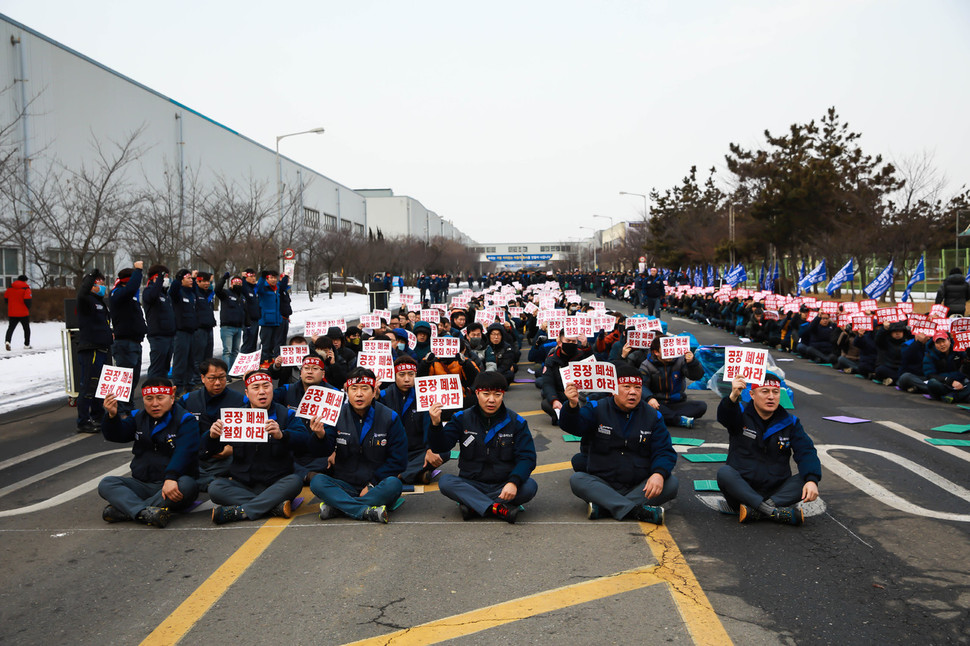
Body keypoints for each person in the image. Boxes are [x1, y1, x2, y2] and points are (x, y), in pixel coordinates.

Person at [560, 363, 677, 524]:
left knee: (670, 483)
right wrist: (572, 405)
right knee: (578, 480)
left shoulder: (653, 416)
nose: (632, 392)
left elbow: (664, 451)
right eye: (626, 386)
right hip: (605, 483)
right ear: (613, 389)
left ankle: (606, 506)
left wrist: (658, 474)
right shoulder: (597, 408)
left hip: (639, 485)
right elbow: (574, 426)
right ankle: (636, 510)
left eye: (637, 387)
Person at [428, 371, 538, 523]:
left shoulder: (516, 422)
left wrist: (513, 482)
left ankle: (474, 505)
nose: (491, 400)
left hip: (503, 484)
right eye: (486, 394)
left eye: (497, 395)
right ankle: (498, 508)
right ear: (477, 394)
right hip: (472, 483)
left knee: (529, 487)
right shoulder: (461, 418)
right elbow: (441, 446)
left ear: (503, 395)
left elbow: (527, 457)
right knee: (446, 482)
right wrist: (435, 424)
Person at [716, 373, 821, 525]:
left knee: (807, 477)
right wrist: (733, 396)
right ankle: (773, 512)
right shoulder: (740, 414)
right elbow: (725, 417)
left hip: (777, 492)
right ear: (752, 394)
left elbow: (806, 452)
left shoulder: (790, 422)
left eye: (775, 392)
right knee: (724, 473)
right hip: (742, 492)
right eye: (765, 391)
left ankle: (759, 510)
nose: (771, 396)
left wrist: (812, 480)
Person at [207, 369, 309, 524]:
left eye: (266, 386)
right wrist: (211, 436)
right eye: (256, 388)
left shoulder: (286, 415)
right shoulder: (234, 417)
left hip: (276, 483)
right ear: (247, 393)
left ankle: (242, 511)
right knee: (215, 487)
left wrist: (282, 435)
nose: (262, 392)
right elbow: (205, 452)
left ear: (272, 390)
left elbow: (304, 441)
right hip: (243, 484)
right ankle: (273, 507)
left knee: (295, 481)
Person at [308, 368, 407, 523]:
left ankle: (338, 507)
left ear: (374, 391)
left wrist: (372, 484)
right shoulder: (336, 415)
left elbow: (399, 460)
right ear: (347, 391)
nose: (359, 394)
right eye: (354, 389)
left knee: (394, 484)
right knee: (317, 481)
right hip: (344, 485)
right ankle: (364, 510)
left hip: (377, 485)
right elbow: (321, 452)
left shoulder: (390, 417)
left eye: (364, 388)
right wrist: (320, 436)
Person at [97, 377, 199, 528]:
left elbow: (184, 452)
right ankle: (144, 512)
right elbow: (117, 435)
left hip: (172, 483)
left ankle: (128, 510)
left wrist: (171, 478)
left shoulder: (186, 419)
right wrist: (112, 416)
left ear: (171, 397)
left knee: (187, 485)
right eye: (149, 398)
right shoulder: (137, 416)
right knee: (107, 483)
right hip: (142, 484)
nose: (155, 404)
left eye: (160, 398)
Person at [380, 356, 448, 485]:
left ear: (415, 374)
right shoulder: (383, 396)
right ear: (394, 375)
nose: (407, 379)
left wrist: (430, 448)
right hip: (393, 451)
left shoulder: (424, 395)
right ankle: (416, 474)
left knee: (443, 451)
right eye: (402, 374)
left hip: (417, 452)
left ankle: (400, 475)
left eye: (411, 374)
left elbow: (429, 425)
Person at [180, 358, 245, 491]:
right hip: (197, 457)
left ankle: (206, 482)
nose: (217, 383)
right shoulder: (187, 400)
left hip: (227, 457)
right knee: (179, 463)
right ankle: (215, 483)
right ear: (203, 378)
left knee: (244, 462)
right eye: (212, 378)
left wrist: (233, 449)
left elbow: (250, 433)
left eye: (222, 378)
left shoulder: (241, 401)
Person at [638, 334, 707, 428]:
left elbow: (696, 376)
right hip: (657, 403)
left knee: (701, 406)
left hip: (676, 403)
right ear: (656, 352)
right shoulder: (646, 365)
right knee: (647, 408)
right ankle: (677, 420)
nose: (670, 352)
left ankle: (667, 418)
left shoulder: (681, 360)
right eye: (666, 349)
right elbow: (641, 386)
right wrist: (649, 398)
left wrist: (692, 362)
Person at [76, 269, 113, 433]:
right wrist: (91, 276)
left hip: (103, 348)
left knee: (100, 386)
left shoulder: (100, 303)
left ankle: (98, 416)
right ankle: (83, 420)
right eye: (99, 283)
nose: (103, 286)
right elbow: (82, 292)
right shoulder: (86, 300)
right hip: (91, 349)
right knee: (89, 385)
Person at [109, 262, 147, 390]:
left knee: (133, 380)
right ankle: (121, 408)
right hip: (124, 344)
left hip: (135, 342)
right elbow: (131, 288)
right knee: (125, 382)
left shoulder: (131, 298)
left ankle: (128, 407)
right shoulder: (117, 293)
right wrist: (138, 270)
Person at [142, 264, 176, 380]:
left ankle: (162, 392)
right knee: (157, 367)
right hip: (158, 336)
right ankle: (153, 392)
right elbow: (151, 296)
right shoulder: (149, 291)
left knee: (165, 368)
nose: (166, 280)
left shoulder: (165, 295)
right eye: (164, 277)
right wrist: (159, 281)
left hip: (169, 335)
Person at [170, 269, 199, 396]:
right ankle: (179, 386)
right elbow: (173, 290)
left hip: (191, 331)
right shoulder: (178, 293)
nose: (191, 280)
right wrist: (179, 277)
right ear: (181, 280)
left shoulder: (191, 294)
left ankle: (189, 384)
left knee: (191, 360)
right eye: (188, 278)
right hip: (180, 332)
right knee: (180, 360)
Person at [215, 272, 247, 370]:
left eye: (239, 284)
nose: (237, 286)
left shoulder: (242, 297)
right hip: (227, 327)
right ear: (231, 284)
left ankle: (233, 370)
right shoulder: (225, 294)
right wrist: (223, 278)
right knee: (227, 351)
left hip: (238, 327)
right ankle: (226, 371)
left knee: (235, 351)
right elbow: (217, 289)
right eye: (235, 284)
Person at [256, 270, 283, 364]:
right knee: (265, 343)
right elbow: (258, 287)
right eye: (271, 278)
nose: (273, 280)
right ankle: (263, 360)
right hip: (266, 321)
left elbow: (284, 285)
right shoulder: (263, 288)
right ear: (267, 279)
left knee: (274, 343)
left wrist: (286, 276)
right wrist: (262, 277)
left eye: (275, 278)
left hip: (276, 320)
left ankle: (271, 359)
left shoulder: (277, 288)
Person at [4, 274, 32, 350]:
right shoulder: (26, 288)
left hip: (12, 312)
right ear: (25, 280)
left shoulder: (10, 288)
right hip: (23, 312)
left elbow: (6, 299)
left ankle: (7, 341)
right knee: (26, 329)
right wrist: (28, 308)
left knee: (11, 328)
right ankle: (27, 344)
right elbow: (27, 300)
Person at [240, 268, 261, 354]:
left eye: (254, 276)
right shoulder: (245, 288)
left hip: (256, 320)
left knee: (253, 344)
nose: (253, 278)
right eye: (251, 276)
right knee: (247, 344)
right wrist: (243, 278)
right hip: (248, 321)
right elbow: (243, 287)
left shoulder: (254, 289)